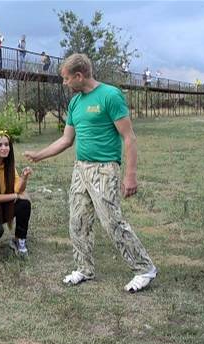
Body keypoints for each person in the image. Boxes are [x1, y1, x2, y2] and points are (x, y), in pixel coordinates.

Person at [23, 53, 157, 293]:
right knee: (77, 220)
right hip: (80, 169)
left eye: (66, 79)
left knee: (112, 221)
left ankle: (144, 268)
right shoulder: (75, 103)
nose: (64, 83)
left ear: (79, 75)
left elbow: (129, 137)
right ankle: (84, 268)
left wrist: (130, 175)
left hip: (105, 169)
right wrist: (39, 154)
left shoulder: (110, 96)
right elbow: (66, 140)